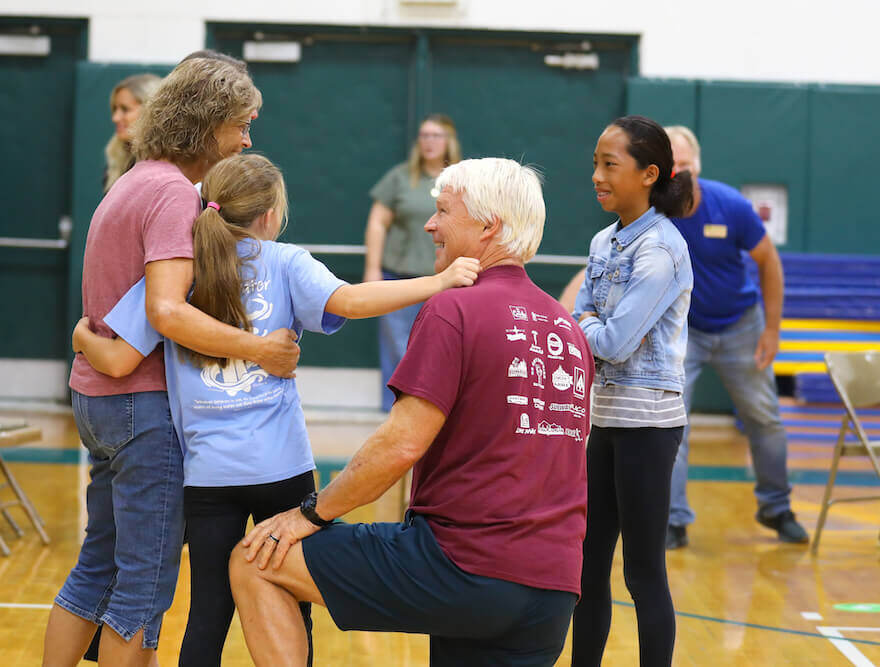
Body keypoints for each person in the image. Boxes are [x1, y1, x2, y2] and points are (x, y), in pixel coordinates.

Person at [71, 153, 481, 667]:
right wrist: (437, 282)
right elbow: (352, 300)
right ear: (270, 215)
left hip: (208, 476)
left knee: (209, 613)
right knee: (288, 599)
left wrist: (81, 336)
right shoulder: (287, 261)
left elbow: (117, 360)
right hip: (284, 470)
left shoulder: (175, 270)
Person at [229, 157, 594, 667]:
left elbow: (400, 444)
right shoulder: (567, 328)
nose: (429, 224)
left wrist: (310, 514)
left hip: (461, 569)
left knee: (256, 560)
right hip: (554, 588)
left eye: (443, 211)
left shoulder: (453, 308)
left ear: (488, 227)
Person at [42, 57, 300, 667]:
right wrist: (259, 348)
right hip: (140, 408)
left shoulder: (135, 178)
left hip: (100, 398)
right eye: (241, 125)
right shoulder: (169, 194)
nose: (247, 139)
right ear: (209, 125)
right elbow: (167, 311)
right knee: (143, 587)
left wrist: (84, 341)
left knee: (96, 569)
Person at [570, 116, 693, 667]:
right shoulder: (604, 240)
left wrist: (590, 323)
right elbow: (586, 316)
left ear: (649, 174)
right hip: (606, 421)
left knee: (643, 572)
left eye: (609, 165)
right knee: (587, 564)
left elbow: (613, 340)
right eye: (595, 163)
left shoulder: (661, 250)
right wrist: (592, 322)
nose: (597, 175)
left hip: (649, 426)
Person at [661, 125, 807, 549]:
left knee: (764, 418)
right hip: (683, 328)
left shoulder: (730, 206)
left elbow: (769, 262)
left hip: (742, 325)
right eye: (670, 166)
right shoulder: (653, 213)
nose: (678, 173)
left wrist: (773, 329)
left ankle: (777, 508)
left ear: (697, 166)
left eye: (684, 165)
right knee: (674, 425)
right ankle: (672, 520)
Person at [363, 113, 462, 411]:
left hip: (446, 282)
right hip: (400, 278)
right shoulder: (400, 177)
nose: (429, 142)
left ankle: (433, 411)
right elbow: (377, 222)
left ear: (449, 141)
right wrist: (372, 268)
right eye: (424, 136)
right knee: (398, 347)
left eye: (436, 136)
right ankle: (394, 412)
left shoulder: (461, 180)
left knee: (440, 348)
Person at [103, 74, 162, 192]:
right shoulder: (117, 157)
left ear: (150, 110)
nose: (115, 118)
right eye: (115, 109)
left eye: (125, 109)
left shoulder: (166, 162)